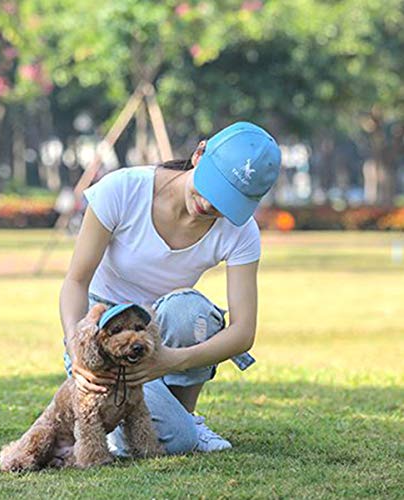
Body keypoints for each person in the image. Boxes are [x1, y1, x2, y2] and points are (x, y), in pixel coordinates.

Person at [60, 121, 281, 455]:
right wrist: (77, 348)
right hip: (104, 328)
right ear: (199, 154)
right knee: (175, 441)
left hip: (160, 331)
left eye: (228, 201)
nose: (209, 205)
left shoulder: (240, 232)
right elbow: (75, 281)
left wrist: (171, 361)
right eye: (212, 188)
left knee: (190, 312)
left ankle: (183, 417)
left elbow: (243, 331)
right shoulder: (122, 190)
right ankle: (111, 422)